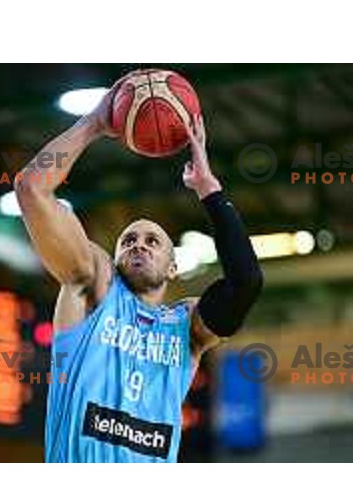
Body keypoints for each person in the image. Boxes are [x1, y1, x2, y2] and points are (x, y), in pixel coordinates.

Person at [14, 70, 263, 462]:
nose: (139, 246)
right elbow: (32, 188)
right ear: (112, 260)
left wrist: (210, 192)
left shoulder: (187, 328)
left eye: (152, 241)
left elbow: (246, 282)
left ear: (172, 267)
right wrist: (94, 123)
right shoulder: (92, 290)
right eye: (128, 241)